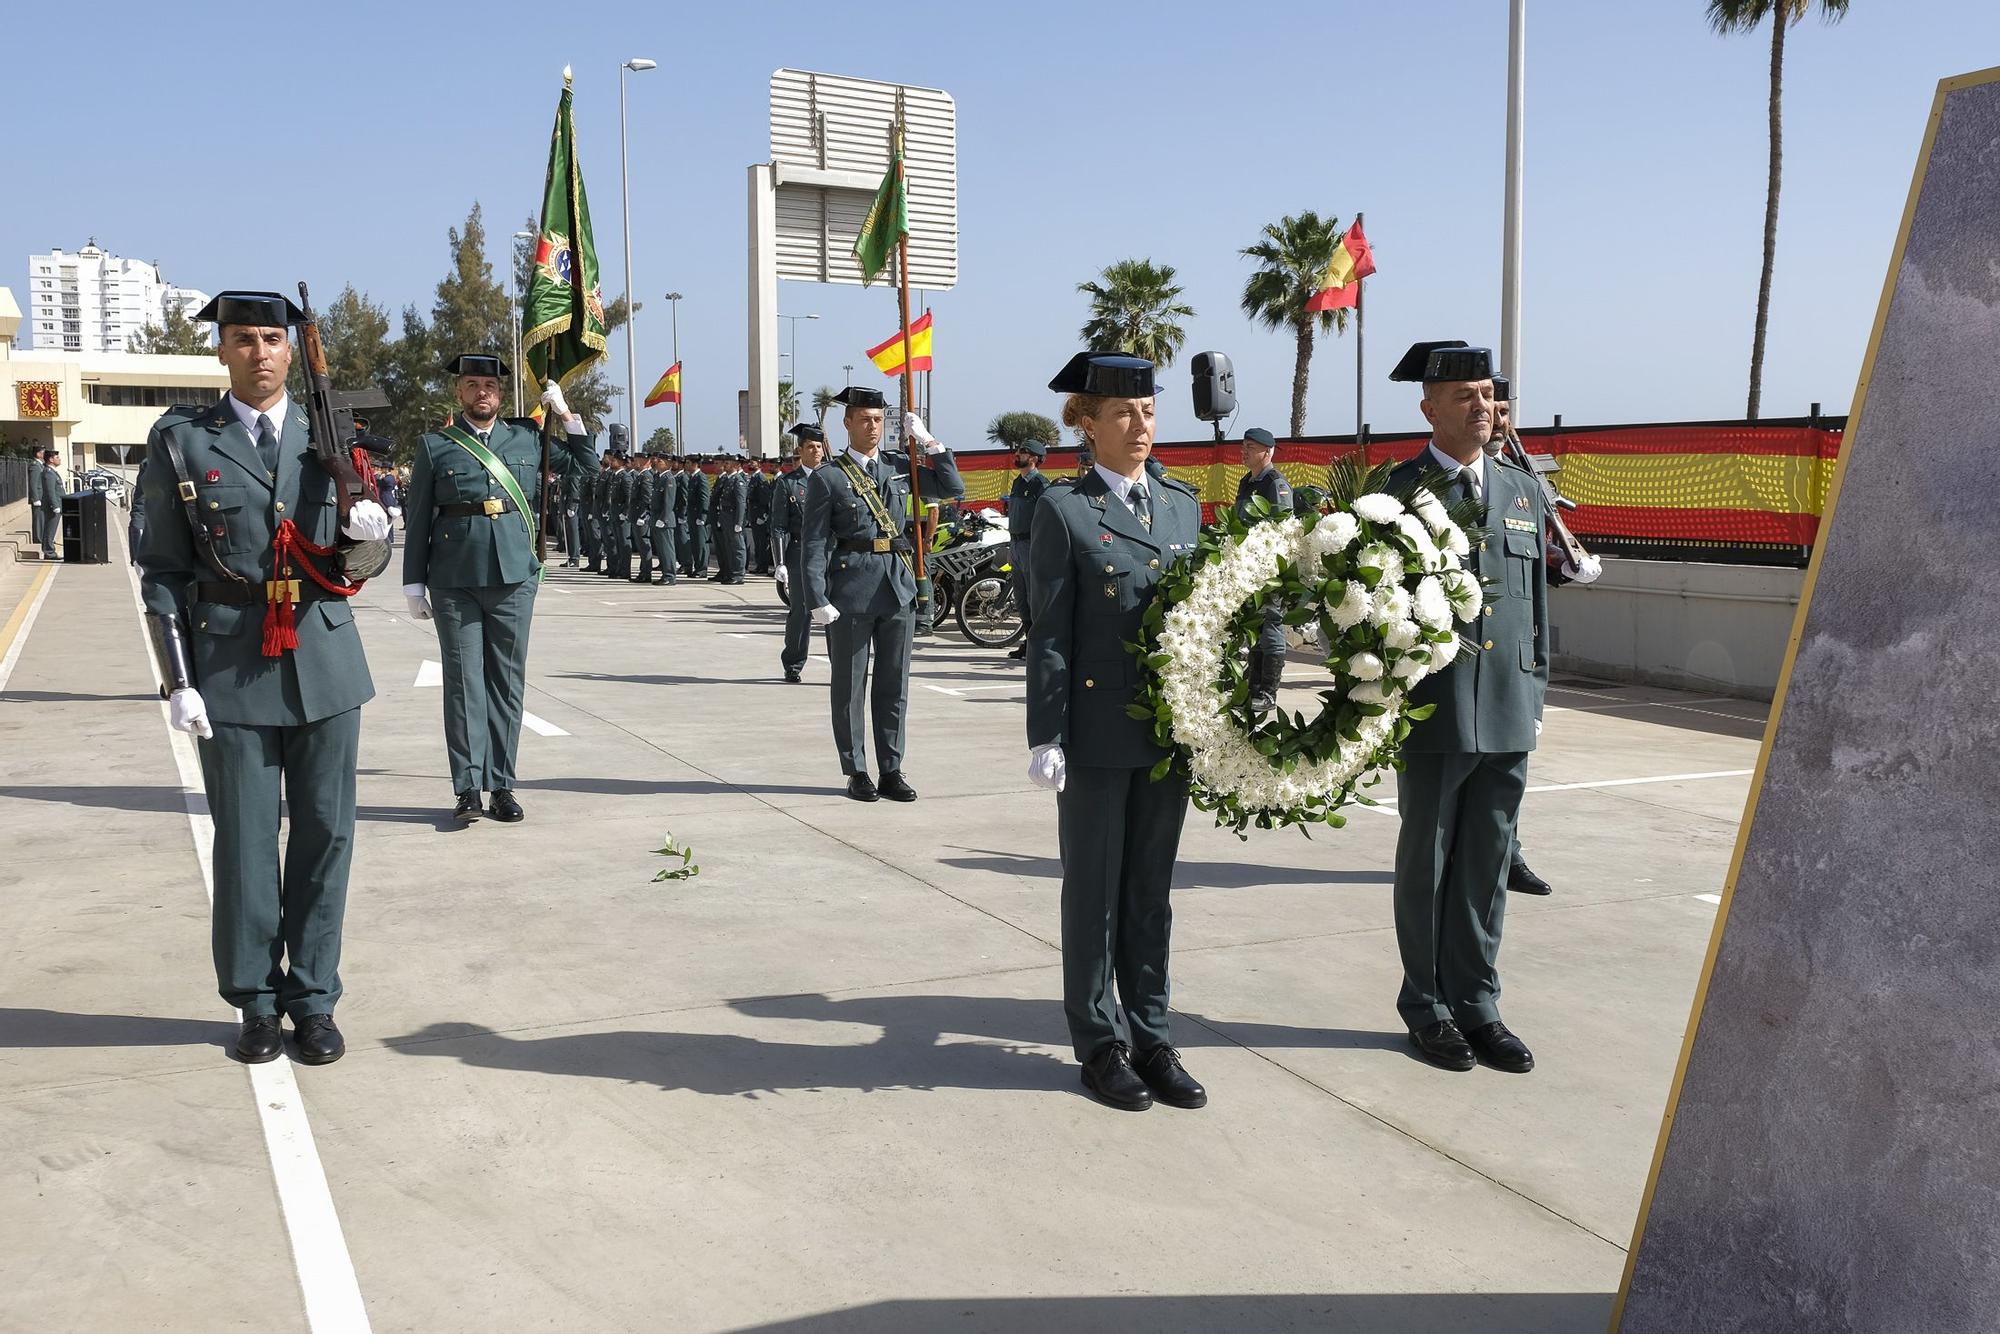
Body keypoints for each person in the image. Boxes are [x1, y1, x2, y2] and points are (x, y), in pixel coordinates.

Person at [135, 290, 393, 1065]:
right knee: (247, 844)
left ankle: (313, 1001)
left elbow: (355, 562)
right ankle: (253, 1002)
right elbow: (162, 569)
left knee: (325, 837)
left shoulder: (332, 430)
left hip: (323, 654)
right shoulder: (183, 440)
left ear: (291, 350)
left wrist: (375, 536)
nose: (260, 352)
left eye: (272, 339)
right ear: (222, 351)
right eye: (243, 339)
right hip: (230, 663)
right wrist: (177, 678)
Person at [1027, 352, 1208, 1112]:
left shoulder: (1182, 506)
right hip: (1098, 734)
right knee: (1095, 894)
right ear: (1087, 423)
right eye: (1124, 414)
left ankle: (1152, 1033)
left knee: (1150, 893)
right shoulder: (1065, 511)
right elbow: (1051, 633)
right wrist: (1046, 733)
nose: (1141, 426)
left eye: (1149, 411)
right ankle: (1099, 1044)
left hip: (1168, 735)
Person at [1383, 340, 1548, 1076]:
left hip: (1511, 702)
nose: (1482, 408)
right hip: (1435, 705)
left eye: (1487, 395)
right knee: (1430, 860)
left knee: (1486, 863)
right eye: (1464, 398)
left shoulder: (1521, 488)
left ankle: (1479, 1003)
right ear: (1429, 409)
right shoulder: (1398, 492)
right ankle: (1427, 1004)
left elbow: (1537, 607)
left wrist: (1537, 689)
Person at [401, 354, 598, 824]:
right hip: (454, 579)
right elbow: (419, 515)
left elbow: (585, 469)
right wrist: (413, 582)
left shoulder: (528, 436)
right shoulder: (435, 445)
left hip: (514, 576)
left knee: (506, 684)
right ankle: (467, 787)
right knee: (464, 683)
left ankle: (502, 786)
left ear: (501, 394)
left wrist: (567, 416)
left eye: (489, 385)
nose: (481, 392)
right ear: (460, 393)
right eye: (472, 385)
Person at [802, 386, 963, 801]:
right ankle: (856, 770)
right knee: (850, 686)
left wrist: (930, 442)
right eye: (865, 419)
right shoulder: (829, 477)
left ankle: (891, 768)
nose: (873, 427)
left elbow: (951, 487)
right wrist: (817, 597)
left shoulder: (900, 466)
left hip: (897, 589)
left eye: (879, 420)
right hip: (851, 591)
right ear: (848, 423)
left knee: (894, 685)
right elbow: (815, 542)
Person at [1484, 373, 1600, 897]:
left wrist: (1566, 564)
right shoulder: (1455, 478)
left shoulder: (1523, 481)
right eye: (1491, 407)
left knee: (1509, 765)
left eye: (1504, 411)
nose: (1497, 420)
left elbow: (1531, 558)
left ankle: (1509, 854)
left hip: (1514, 652)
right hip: (1460, 645)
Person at [1231, 427, 1295, 712]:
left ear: (1267, 452)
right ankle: (1253, 684)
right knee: (1253, 625)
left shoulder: (1275, 483)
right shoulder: (1247, 482)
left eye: (1251, 447)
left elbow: (1281, 529)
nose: (1244, 451)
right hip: (1246, 567)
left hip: (1268, 569)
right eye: (1244, 446)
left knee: (1270, 624)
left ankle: (1268, 690)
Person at [774, 423, 827, 681]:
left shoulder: (833, 478)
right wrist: (780, 562)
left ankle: (842, 666)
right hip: (800, 556)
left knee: (837, 613)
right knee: (801, 612)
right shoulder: (788, 484)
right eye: (811, 447)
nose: (816, 451)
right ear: (801, 450)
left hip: (831, 554)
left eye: (819, 446)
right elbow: (779, 526)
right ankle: (793, 664)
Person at [1003, 437, 1050, 661]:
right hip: (1016, 545)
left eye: (1022, 452)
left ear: (1032, 458)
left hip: (1032, 545)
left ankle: (1037, 644)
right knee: (1021, 600)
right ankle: (1028, 640)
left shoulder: (1040, 484)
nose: (1017, 455)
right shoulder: (1017, 483)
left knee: (1034, 598)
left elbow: (1046, 518)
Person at [643, 451, 677, 584]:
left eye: (661, 461)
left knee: (667, 549)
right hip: (656, 517)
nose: (658, 462)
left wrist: (663, 519)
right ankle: (665, 574)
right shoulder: (658, 477)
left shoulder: (668, 478)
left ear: (667, 464)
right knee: (661, 550)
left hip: (664, 520)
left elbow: (669, 502)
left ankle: (670, 576)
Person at [628, 447, 657, 584]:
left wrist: (644, 515)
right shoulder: (640, 475)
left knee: (644, 545)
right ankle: (643, 571)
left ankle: (646, 573)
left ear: (646, 461)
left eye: (638, 460)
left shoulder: (646, 476)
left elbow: (647, 498)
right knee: (641, 546)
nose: (635, 463)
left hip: (642, 516)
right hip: (636, 514)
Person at [684, 455, 712, 576]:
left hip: (699, 516)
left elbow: (705, 499)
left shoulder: (701, 478)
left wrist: (703, 517)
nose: (686, 465)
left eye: (689, 463)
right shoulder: (692, 478)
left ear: (695, 464)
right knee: (695, 542)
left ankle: (702, 568)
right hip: (692, 515)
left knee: (701, 543)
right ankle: (698, 567)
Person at [38, 449, 64, 559]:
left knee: (51, 529)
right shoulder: (48, 472)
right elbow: (50, 491)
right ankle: (49, 551)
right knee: (50, 528)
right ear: (51, 459)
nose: (59, 459)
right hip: (53, 506)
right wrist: (55, 505)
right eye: (57, 457)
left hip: (57, 504)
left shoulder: (53, 472)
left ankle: (49, 550)